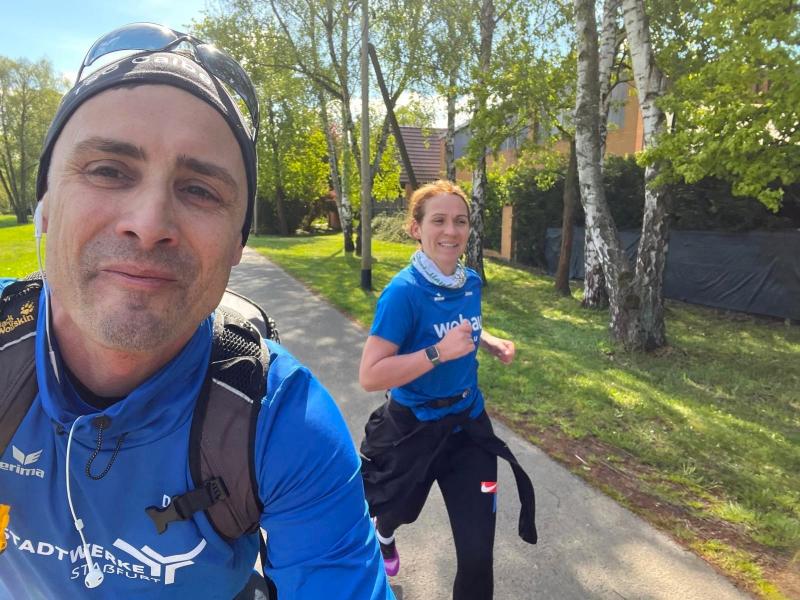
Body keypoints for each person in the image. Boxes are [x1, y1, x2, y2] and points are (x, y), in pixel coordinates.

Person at [0, 23, 393, 599]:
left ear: (238, 243)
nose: (149, 223)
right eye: (108, 170)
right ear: (45, 207)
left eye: (201, 190)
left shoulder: (283, 424)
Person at [358, 180, 537, 599]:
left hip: (469, 428)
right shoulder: (403, 293)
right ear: (416, 228)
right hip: (412, 430)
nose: (451, 231)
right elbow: (370, 375)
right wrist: (438, 353)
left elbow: (463, 328)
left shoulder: (469, 282)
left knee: (477, 555)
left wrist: (487, 340)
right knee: (396, 511)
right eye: (438, 220)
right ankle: (384, 533)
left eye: (461, 221)